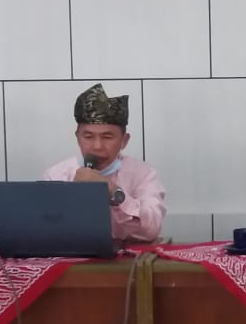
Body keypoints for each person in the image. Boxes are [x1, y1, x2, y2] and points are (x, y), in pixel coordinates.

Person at [44, 83, 166, 242]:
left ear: (124, 141)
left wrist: (113, 191)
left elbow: (151, 230)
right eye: (88, 137)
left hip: (125, 257)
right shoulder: (57, 174)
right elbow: (48, 230)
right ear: (78, 138)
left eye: (107, 137)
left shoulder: (143, 174)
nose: (97, 146)